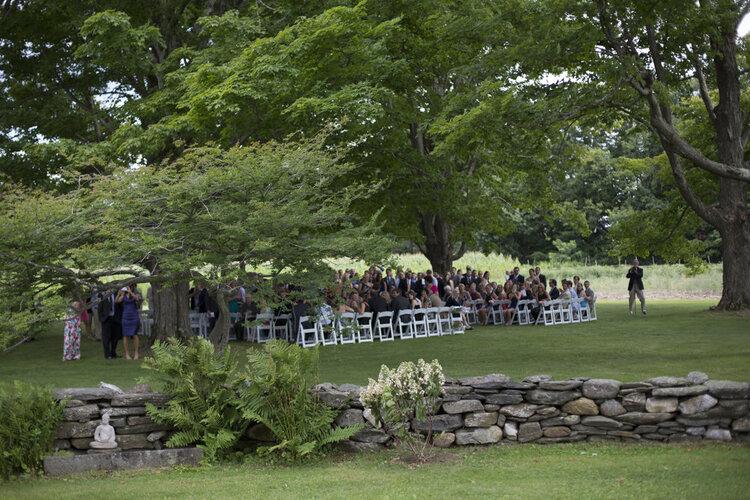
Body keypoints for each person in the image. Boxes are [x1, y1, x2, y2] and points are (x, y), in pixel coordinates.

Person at [116, 285, 142, 360]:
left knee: (134, 334)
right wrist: (119, 294)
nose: (127, 288)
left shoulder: (135, 293)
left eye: (129, 287)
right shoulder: (123, 295)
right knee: (125, 335)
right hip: (125, 317)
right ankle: (127, 353)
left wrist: (130, 292)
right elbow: (117, 301)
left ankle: (136, 353)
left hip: (134, 317)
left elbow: (137, 298)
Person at [97, 290, 121, 360]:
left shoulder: (116, 294)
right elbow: (99, 307)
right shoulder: (101, 295)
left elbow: (119, 306)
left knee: (115, 337)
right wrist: (101, 318)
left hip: (115, 318)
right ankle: (107, 355)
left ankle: (113, 353)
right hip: (106, 319)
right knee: (106, 337)